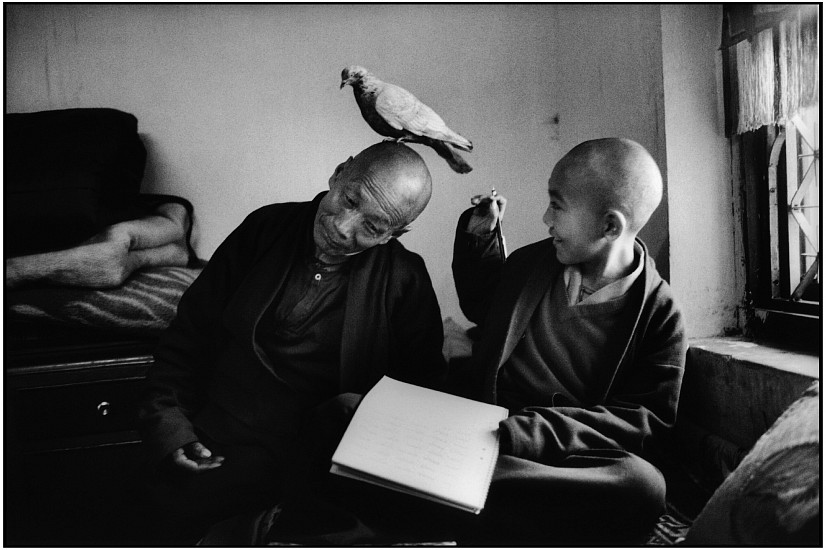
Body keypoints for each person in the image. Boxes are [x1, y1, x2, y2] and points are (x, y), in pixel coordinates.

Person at [136, 141, 447, 542]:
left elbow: (420, 396)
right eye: (349, 199)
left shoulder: (405, 278)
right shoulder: (264, 229)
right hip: (220, 445)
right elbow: (188, 337)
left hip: (328, 469)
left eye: (372, 226)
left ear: (394, 234)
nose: (343, 227)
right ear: (338, 172)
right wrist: (171, 428)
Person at [450, 137, 687, 544]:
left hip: (556, 452)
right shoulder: (531, 264)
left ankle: (450, 484)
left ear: (609, 225)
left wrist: (529, 431)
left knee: (643, 485)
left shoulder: (660, 312)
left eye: (557, 205)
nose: (546, 217)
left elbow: (645, 422)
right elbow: (481, 307)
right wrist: (479, 235)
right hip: (484, 426)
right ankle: (471, 490)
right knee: (345, 411)